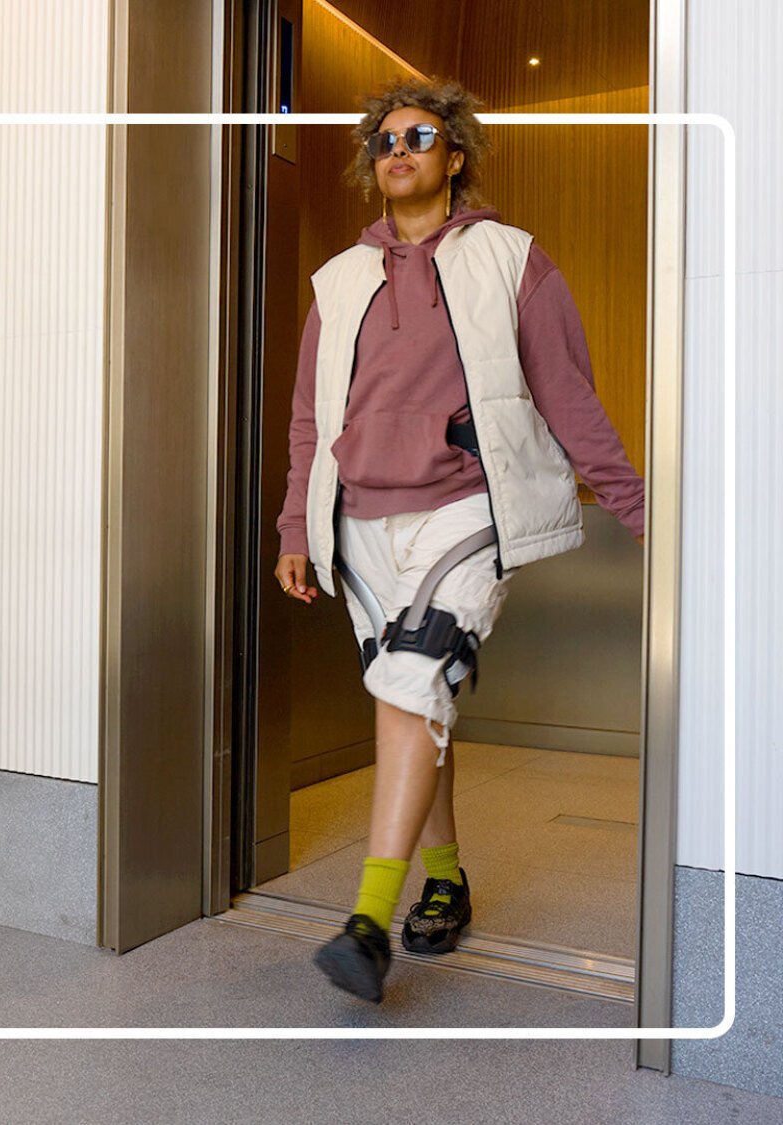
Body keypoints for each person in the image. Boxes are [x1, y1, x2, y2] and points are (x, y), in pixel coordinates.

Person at [273, 77, 647, 1003]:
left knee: (410, 685)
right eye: (385, 139)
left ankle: (368, 920)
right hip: (359, 523)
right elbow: (310, 420)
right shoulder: (338, 279)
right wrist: (294, 524)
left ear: (455, 157)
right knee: (416, 697)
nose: (398, 149)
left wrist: (641, 513)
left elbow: (567, 394)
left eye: (420, 135)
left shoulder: (512, 259)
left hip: (463, 510)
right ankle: (445, 876)